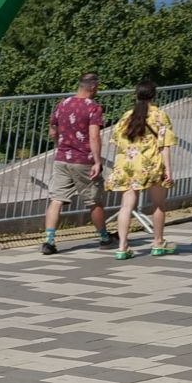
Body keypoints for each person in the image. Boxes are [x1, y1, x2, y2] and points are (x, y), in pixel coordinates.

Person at [106, 80, 177, 260]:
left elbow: (117, 140)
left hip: (128, 164)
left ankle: (122, 247)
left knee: (126, 206)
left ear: (136, 95)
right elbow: (165, 145)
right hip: (151, 164)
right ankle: (158, 242)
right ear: (154, 95)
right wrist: (168, 170)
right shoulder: (160, 115)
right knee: (158, 205)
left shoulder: (127, 116)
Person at [42, 73, 113, 255]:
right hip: (83, 159)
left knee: (56, 199)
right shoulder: (93, 107)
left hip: (62, 158)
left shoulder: (63, 104)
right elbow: (94, 136)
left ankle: (49, 241)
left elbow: (52, 130)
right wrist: (97, 161)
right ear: (93, 87)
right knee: (93, 200)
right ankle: (104, 237)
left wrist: (60, 146)